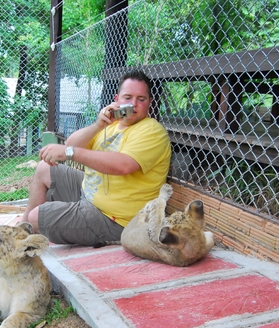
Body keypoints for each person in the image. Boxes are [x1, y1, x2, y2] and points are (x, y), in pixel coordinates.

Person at [20, 70, 172, 246]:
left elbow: (123, 165)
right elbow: (72, 143)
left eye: (141, 99)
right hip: (89, 193)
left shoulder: (152, 131)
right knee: (43, 168)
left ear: (150, 103)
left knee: (37, 217)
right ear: (117, 99)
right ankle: (20, 231)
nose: (133, 104)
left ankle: (25, 235)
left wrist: (70, 153)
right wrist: (98, 125)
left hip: (115, 219)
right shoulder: (111, 125)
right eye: (128, 97)